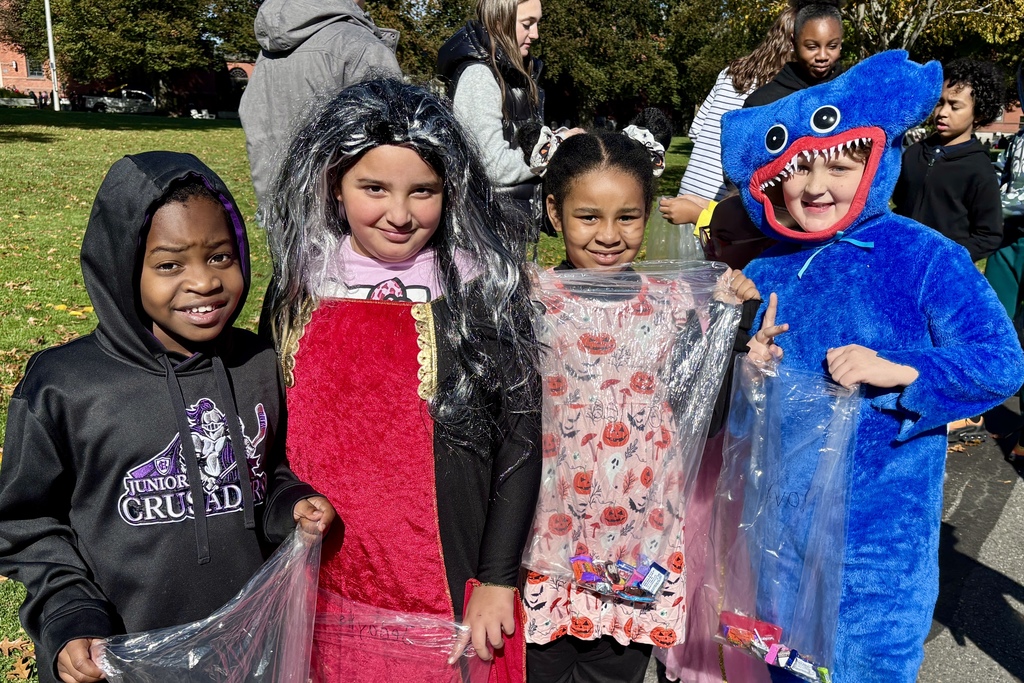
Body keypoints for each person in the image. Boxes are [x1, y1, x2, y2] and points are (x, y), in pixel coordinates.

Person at [720, 51, 1024, 682]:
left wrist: (903, 369)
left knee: (866, 671)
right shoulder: (769, 268)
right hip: (781, 537)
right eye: (797, 171)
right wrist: (748, 364)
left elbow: (1001, 363)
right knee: (788, 671)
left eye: (840, 163)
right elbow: (739, 410)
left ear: (875, 157)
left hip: (878, 546)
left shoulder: (922, 256)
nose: (816, 187)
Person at [0, 152, 336, 683]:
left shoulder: (258, 365)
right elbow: (25, 524)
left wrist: (291, 505)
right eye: (170, 264)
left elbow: (265, 472)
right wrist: (69, 612)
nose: (203, 282)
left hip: (243, 657)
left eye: (221, 257)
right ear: (122, 267)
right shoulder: (65, 387)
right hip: (115, 658)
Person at [262, 78, 540, 681]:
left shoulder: (479, 289)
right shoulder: (300, 286)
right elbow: (269, 429)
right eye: (374, 188)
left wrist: (496, 576)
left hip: (447, 569)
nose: (400, 213)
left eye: (424, 192)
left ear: (453, 190)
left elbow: (521, 435)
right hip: (325, 578)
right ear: (335, 184)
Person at [521, 129, 758, 683]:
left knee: (615, 675)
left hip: (638, 548)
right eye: (588, 217)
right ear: (554, 213)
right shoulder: (527, 302)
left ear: (649, 214)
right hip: (546, 546)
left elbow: (706, 413)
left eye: (627, 217)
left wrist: (727, 322)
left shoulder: (674, 305)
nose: (609, 235)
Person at [239, 0, 401, 211]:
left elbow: (252, 115)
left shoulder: (269, 51)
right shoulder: (359, 45)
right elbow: (394, 143)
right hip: (340, 215)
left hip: (276, 204)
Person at [659, 7, 796, 225]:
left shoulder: (732, 71)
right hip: (723, 206)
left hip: (688, 190)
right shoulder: (785, 92)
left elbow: (695, 132)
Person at [437, 0, 551, 236]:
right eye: (527, 24)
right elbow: (491, 165)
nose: (536, 34)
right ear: (500, 21)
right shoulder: (479, 76)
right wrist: (551, 151)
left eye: (537, 24)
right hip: (484, 234)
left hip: (505, 227)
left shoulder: (511, 74)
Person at [893, 58, 1005, 263]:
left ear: (978, 114)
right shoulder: (913, 154)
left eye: (955, 106)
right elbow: (898, 205)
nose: (942, 113)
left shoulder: (979, 170)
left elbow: (989, 236)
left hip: (942, 273)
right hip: (901, 260)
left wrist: (948, 258)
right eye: (940, 103)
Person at [742, 0, 844, 109]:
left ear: (840, 44)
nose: (822, 56)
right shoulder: (761, 103)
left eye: (832, 46)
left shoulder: (853, 92)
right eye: (812, 47)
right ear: (793, 43)